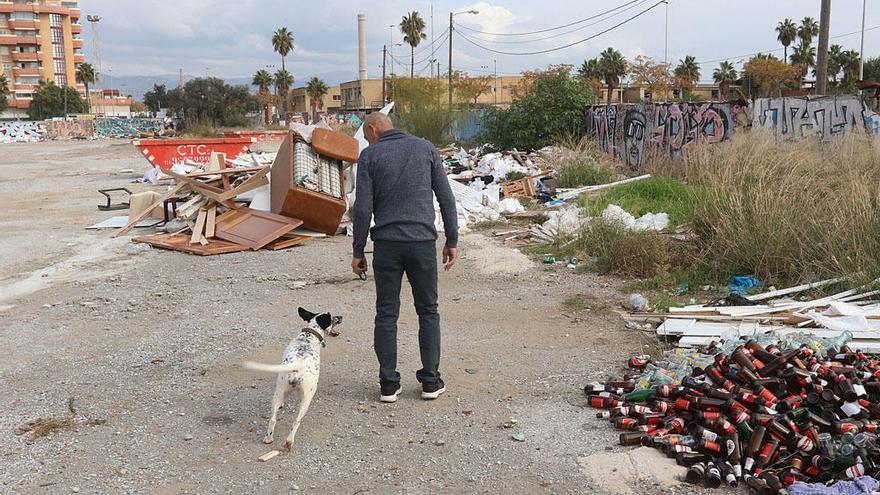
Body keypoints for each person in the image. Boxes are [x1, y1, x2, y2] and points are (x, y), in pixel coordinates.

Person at [351, 113, 459, 403]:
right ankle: (430, 382)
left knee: (386, 313)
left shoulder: (370, 156)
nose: (367, 140)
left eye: (366, 135)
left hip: (387, 245)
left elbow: (362, 208)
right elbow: (446, 198)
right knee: (428, 311)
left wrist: (358, 250)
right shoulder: (426, 148)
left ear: (373, 130)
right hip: (422, 243)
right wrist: (452, 240)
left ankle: (388, 384)